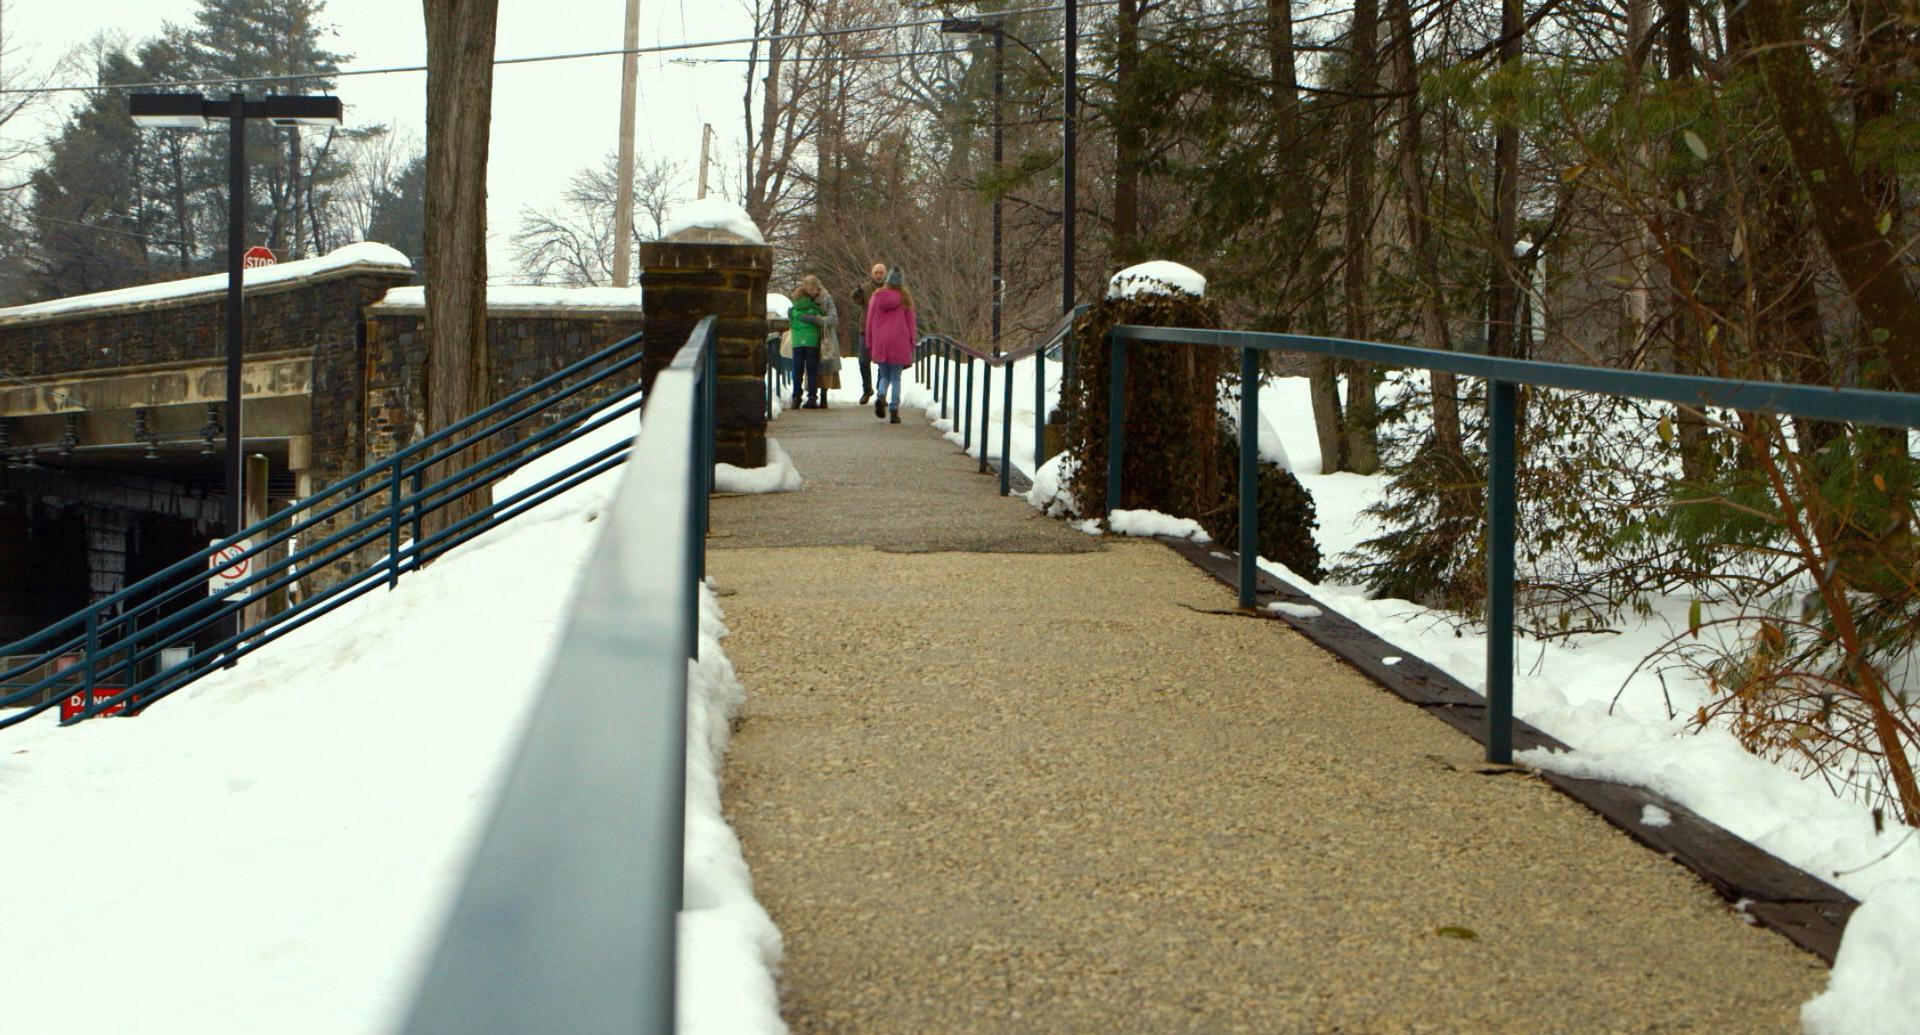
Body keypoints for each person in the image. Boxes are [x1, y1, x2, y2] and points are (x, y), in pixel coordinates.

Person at [864, 266, 918, 424]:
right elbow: (911, 324)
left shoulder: (876, 297)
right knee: (896, 378)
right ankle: (894, 410)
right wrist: (911, 342)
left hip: (881, 341)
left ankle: (881, 395)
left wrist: (869, 341)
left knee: (884, 375)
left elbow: (869, 321)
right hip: (899, 341)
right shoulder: (905, 298)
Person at [848, 262, 886, 405]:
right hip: (866, 329)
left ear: (885, 274)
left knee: (882, 362)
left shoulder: (889, 288)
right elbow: (856, 300)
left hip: (883, 330)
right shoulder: (865, 287)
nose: (878, 275)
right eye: (876, 272)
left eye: (881, 272)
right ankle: (867, 389)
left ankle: (880, 391)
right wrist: (856, 293)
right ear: (872, 274)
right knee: (863, 361)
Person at [788, 280, 824, 409]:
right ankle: (812, 397)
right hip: (812, 342)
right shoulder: (814, 308)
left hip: (797, 342)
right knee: (812, 371)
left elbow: (790, 323)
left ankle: (796, 397)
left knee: (797, 370)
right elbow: (821, 319)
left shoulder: (793, 309)